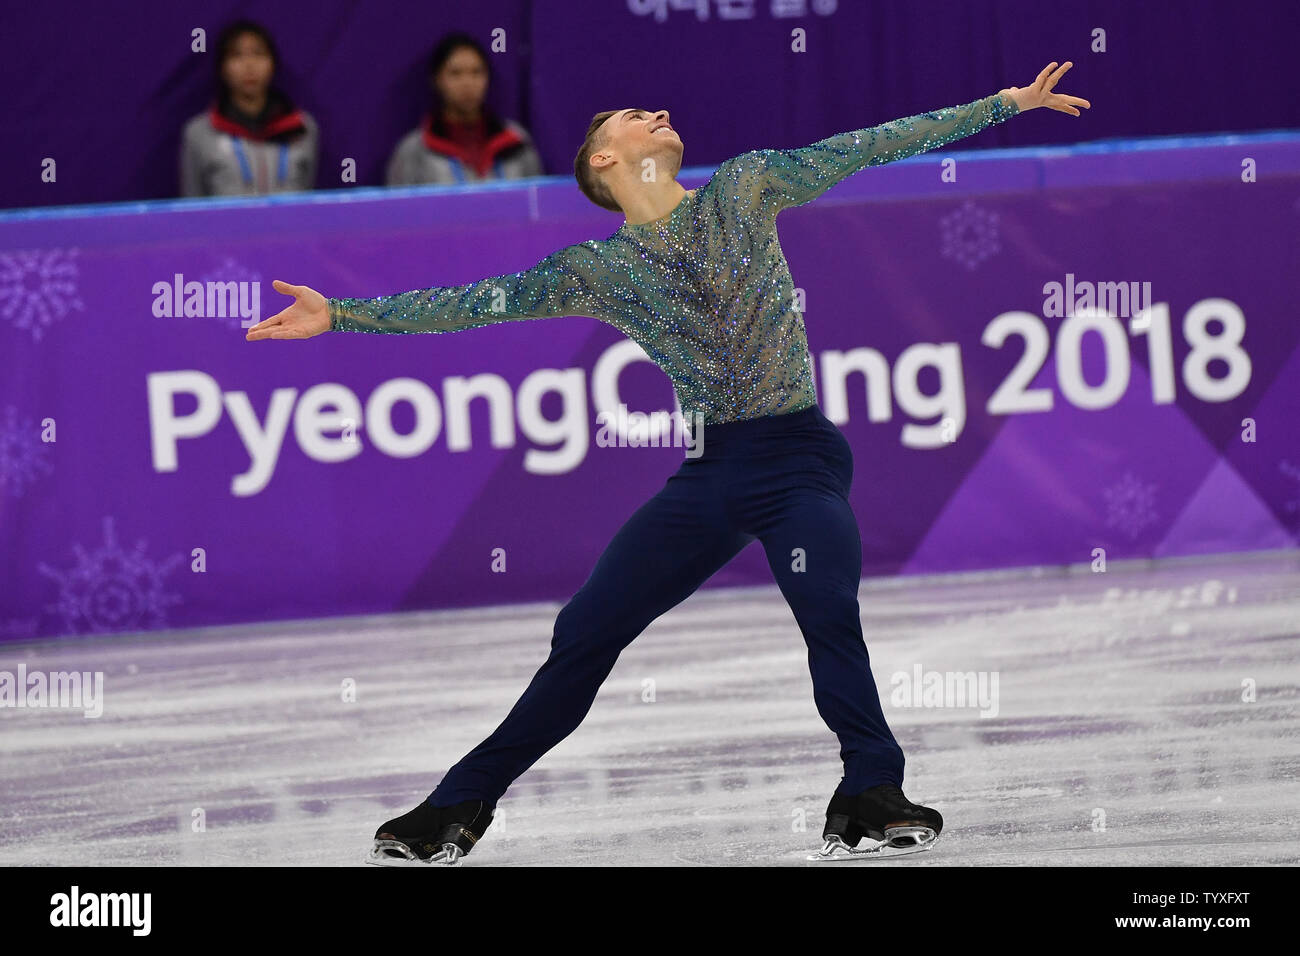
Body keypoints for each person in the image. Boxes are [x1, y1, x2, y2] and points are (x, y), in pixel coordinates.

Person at [246, 62, 1089, 865]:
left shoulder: (745, 187)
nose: (659, 114)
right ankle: (455, 809)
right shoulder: (600, 268)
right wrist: (345, 315)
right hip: (712, 477)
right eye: (632, 116)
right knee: (583, 633)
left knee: (827, 608)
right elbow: (478, 304)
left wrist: (1005, 103)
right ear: (604, 159)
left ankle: (873, 788)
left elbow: (867, 145)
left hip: (798, 458)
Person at [180, 20, 318, 197]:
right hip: (225, 226)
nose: (249, 65)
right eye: (237, 55)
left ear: (273, 64)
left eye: (258, 54)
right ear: (222, 67)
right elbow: (192, 207)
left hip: (291, 225)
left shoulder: (303, 128)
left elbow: (309, 199)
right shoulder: (199, 133)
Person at [385, 32, 543, 187]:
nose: (467, 83)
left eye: (476, 72)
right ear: (437, 80)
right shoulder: (414, 151)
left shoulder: (516, 140)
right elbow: (400, 210)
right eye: (455, 73)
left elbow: (537, 204)